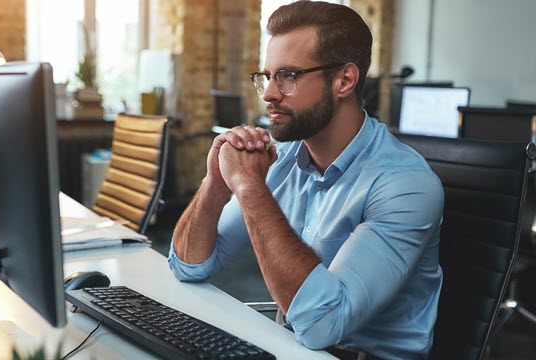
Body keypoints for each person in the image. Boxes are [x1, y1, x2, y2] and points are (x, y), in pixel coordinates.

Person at [168, 1, 443, 359]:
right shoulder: (281, 159)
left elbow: (321, 324)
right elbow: (189, 265)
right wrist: (216, 183)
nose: (268, 93)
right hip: (289, 348)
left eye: (289, 76)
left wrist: (250, 187)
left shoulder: (405, 184)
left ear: (344, 80)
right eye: (266, 76)